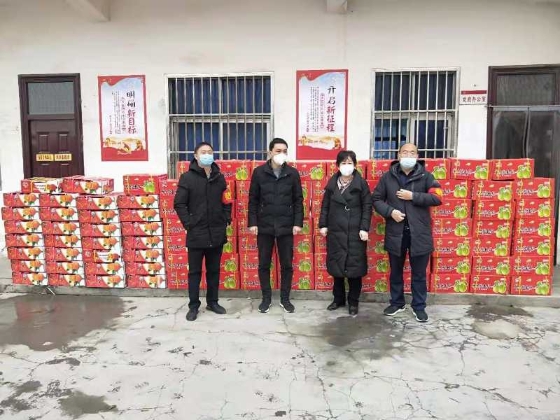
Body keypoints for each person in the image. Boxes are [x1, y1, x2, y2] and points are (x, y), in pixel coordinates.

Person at [371, 143, 442, 322]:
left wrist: (413, 196)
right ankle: (397, 303)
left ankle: (419, 306)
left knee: (419, 274)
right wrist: (390, 212)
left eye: (412, 153)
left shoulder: (426, 176)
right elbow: (376, 199)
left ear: (417, 156)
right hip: (396, 233)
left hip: (419, 233)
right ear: (399, 155)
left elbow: (437, 197)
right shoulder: (388, 177)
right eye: (405, 152)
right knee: (396, 271)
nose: (408, 155)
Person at [174, 142, 232, 322]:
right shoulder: (187, 178)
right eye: (203, 152)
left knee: (214, 271)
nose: (207, 155)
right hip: (196, 233)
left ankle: (213, 302)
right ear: (196, 156)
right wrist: (189, 223)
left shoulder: (219, 177)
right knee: (195, 273)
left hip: (216, 232)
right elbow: (179, 203)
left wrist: (225, 219)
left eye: (210, 152)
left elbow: (227, 201)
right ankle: (193, 306)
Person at [248, 138, 304, 314]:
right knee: (264, 264)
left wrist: (298, 222)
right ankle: (266, 299)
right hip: (264, 225)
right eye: (278, 151)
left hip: (286, 225)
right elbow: (253, 200)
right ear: (270, 152)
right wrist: (252, 222)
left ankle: (285, 299)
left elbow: (298, 200)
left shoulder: (292, 173)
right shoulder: (259, 173)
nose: (281, 154)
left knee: (287, 265)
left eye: (284, 151)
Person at [319, 150, 372, 315]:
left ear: (355, 165)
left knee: (354, 269)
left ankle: (353, 302)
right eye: (344, 163)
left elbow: (367, 207)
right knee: (337, 268)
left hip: (355, 232)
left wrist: (364, 228)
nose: (347, 166)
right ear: (338, 165)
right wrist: (323, 225)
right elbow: (325, 206)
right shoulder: (332, 184)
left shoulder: (361, 184)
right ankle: (338, 299)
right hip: (336, 231)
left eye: (350, 163)